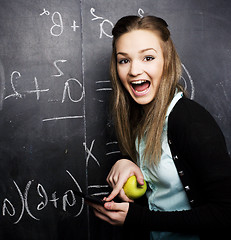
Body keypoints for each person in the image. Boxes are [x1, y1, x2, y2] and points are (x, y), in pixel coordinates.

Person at [87, 15, 231, 239]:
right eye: (124, 60)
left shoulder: (190, 120)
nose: (134, 70)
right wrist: (126, 161)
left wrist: (136, 218)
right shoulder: (141, 118)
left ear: (167, 60)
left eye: (148, 57)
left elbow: (225, 213)